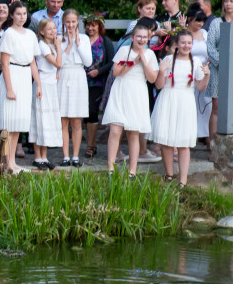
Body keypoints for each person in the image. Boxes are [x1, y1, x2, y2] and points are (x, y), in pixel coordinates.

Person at [152, 31, 209, 188]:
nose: (186, 46)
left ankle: (183, 179)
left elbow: (200, 86)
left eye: (189, 43)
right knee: (166, 139)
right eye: (183, 42)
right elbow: (159, 85)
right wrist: (161, 71)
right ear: (177, 45)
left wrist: (206, 75)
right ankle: (169, 174)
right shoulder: (169, 60)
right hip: (168, 98)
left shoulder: (196, 61)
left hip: (185, 101)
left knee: (184, 141)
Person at [102, 24, 158, 177]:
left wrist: (144, 61)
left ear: (148, 39)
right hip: (121, 89)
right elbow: (116, 72)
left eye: (144, 37)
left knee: (133, 132)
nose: (141, 39)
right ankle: (111, 168)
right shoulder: (123, 51)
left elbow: (152, 79)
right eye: (138, 36)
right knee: (115, 130)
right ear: (132, 38)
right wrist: (133, 61)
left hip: (137, 92)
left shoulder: (150, 54)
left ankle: (132, 171)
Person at [0, 1, 42, 174]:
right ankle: (6, 162)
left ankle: (13, 162)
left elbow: (32, 61)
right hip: (13, 75)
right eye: (18, 14)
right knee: (9, 122)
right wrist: (9, 88)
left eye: (24, 14)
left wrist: (38, 84)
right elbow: (5, 63)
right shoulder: (8, 34)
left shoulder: (30, 34)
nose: (21, 17)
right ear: (12, 15)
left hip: (25, 77)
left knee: (18, 123)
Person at [58, 10, 92, 166]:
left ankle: (76, 156)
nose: (70, 25)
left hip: (78, 76)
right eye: (68, 22)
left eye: (73, 22)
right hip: (64, 75)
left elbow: (88, 62)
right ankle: (65, 155)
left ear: (77, 22)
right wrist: (69, 45)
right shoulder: (58, 38)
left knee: (76, 121)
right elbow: (59, 62)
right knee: (63, 120)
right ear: (63, 22)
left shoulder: (84, 39)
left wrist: (77, 45)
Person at [30, 19, 63, 170]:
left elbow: (55, 68)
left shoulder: (50, 45)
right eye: (49, 29)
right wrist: (59, 47)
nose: (52, 31)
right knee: (40, 120)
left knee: (48, 120)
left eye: (54, 28)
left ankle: (44, 157)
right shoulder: (43, 45)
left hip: (51, 85)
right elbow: (58, 64)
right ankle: (38, 157)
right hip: (42, 83)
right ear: (42, 32)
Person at [83, 14, 114, 160]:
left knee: (92, 110)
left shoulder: (105, 42)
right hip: (81, 81)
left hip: (98, 81)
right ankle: (90, 143)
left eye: (93, 25)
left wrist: (99, 71)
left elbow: (110, 62)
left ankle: (91, 144)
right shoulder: (82, 40)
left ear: (99, 26)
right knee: (84, 112)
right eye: (88, 25)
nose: (90, 28)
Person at [207, 0, 233, 139]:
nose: (228, 4)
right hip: (219, 70)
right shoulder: (216, 23)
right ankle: (213, 145)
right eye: (226, 1)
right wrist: (223, 64)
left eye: (231, 1)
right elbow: (210, 47)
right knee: (217, 107)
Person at [186, 5, 211, 144]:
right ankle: (191, 135)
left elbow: (210, 50)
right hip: (189, 71)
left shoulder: (204, 33)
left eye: (202, 21)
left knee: (205, 104)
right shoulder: (184, 33)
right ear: (190, 19)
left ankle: (205, 134)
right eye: (197, 21)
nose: (200, 24)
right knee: (191, 104)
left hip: (203, 71)